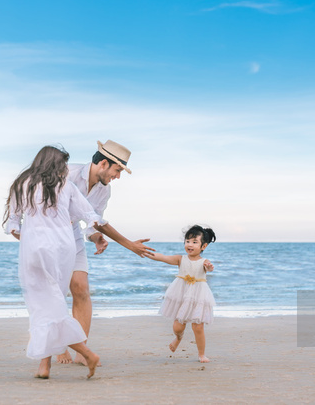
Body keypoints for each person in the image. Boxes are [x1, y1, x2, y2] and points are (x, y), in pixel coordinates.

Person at [2, 145, 111, 379]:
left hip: (34, 250)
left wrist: (29, 234)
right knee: (53, 301)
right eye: (62, 165)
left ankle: (68, 358)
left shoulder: (23, 185)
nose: (64, 169)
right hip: (63, 249)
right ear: (54, 165)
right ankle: (49, 364)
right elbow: (89, 214)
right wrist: (97, 234)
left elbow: (12, 224)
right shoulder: (67, 186)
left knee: (44, 304)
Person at [56, 140, 155, 365]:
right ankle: (59, 345)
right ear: (103, 163)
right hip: (51, 233)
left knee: (81, 288)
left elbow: (93, 222)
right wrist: (129, 244)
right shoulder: (67, 175)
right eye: (117, 170)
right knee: (57, 292)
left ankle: (81, 350)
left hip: (72, 234)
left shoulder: (104, 190)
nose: (118, 176)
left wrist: (95, 237)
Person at [147, 225, 216, 363]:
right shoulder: (180, 259)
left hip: (198, 295)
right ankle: (178, 338)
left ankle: (201, 354)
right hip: (182, 293)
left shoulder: (204, 261)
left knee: (198, 327)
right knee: (178, 326)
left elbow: (209, 268)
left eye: (194, 242)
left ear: (203, 246)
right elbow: (163, 258)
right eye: (187, 241)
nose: (190, 245)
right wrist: (147, 253)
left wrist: (209, 267)